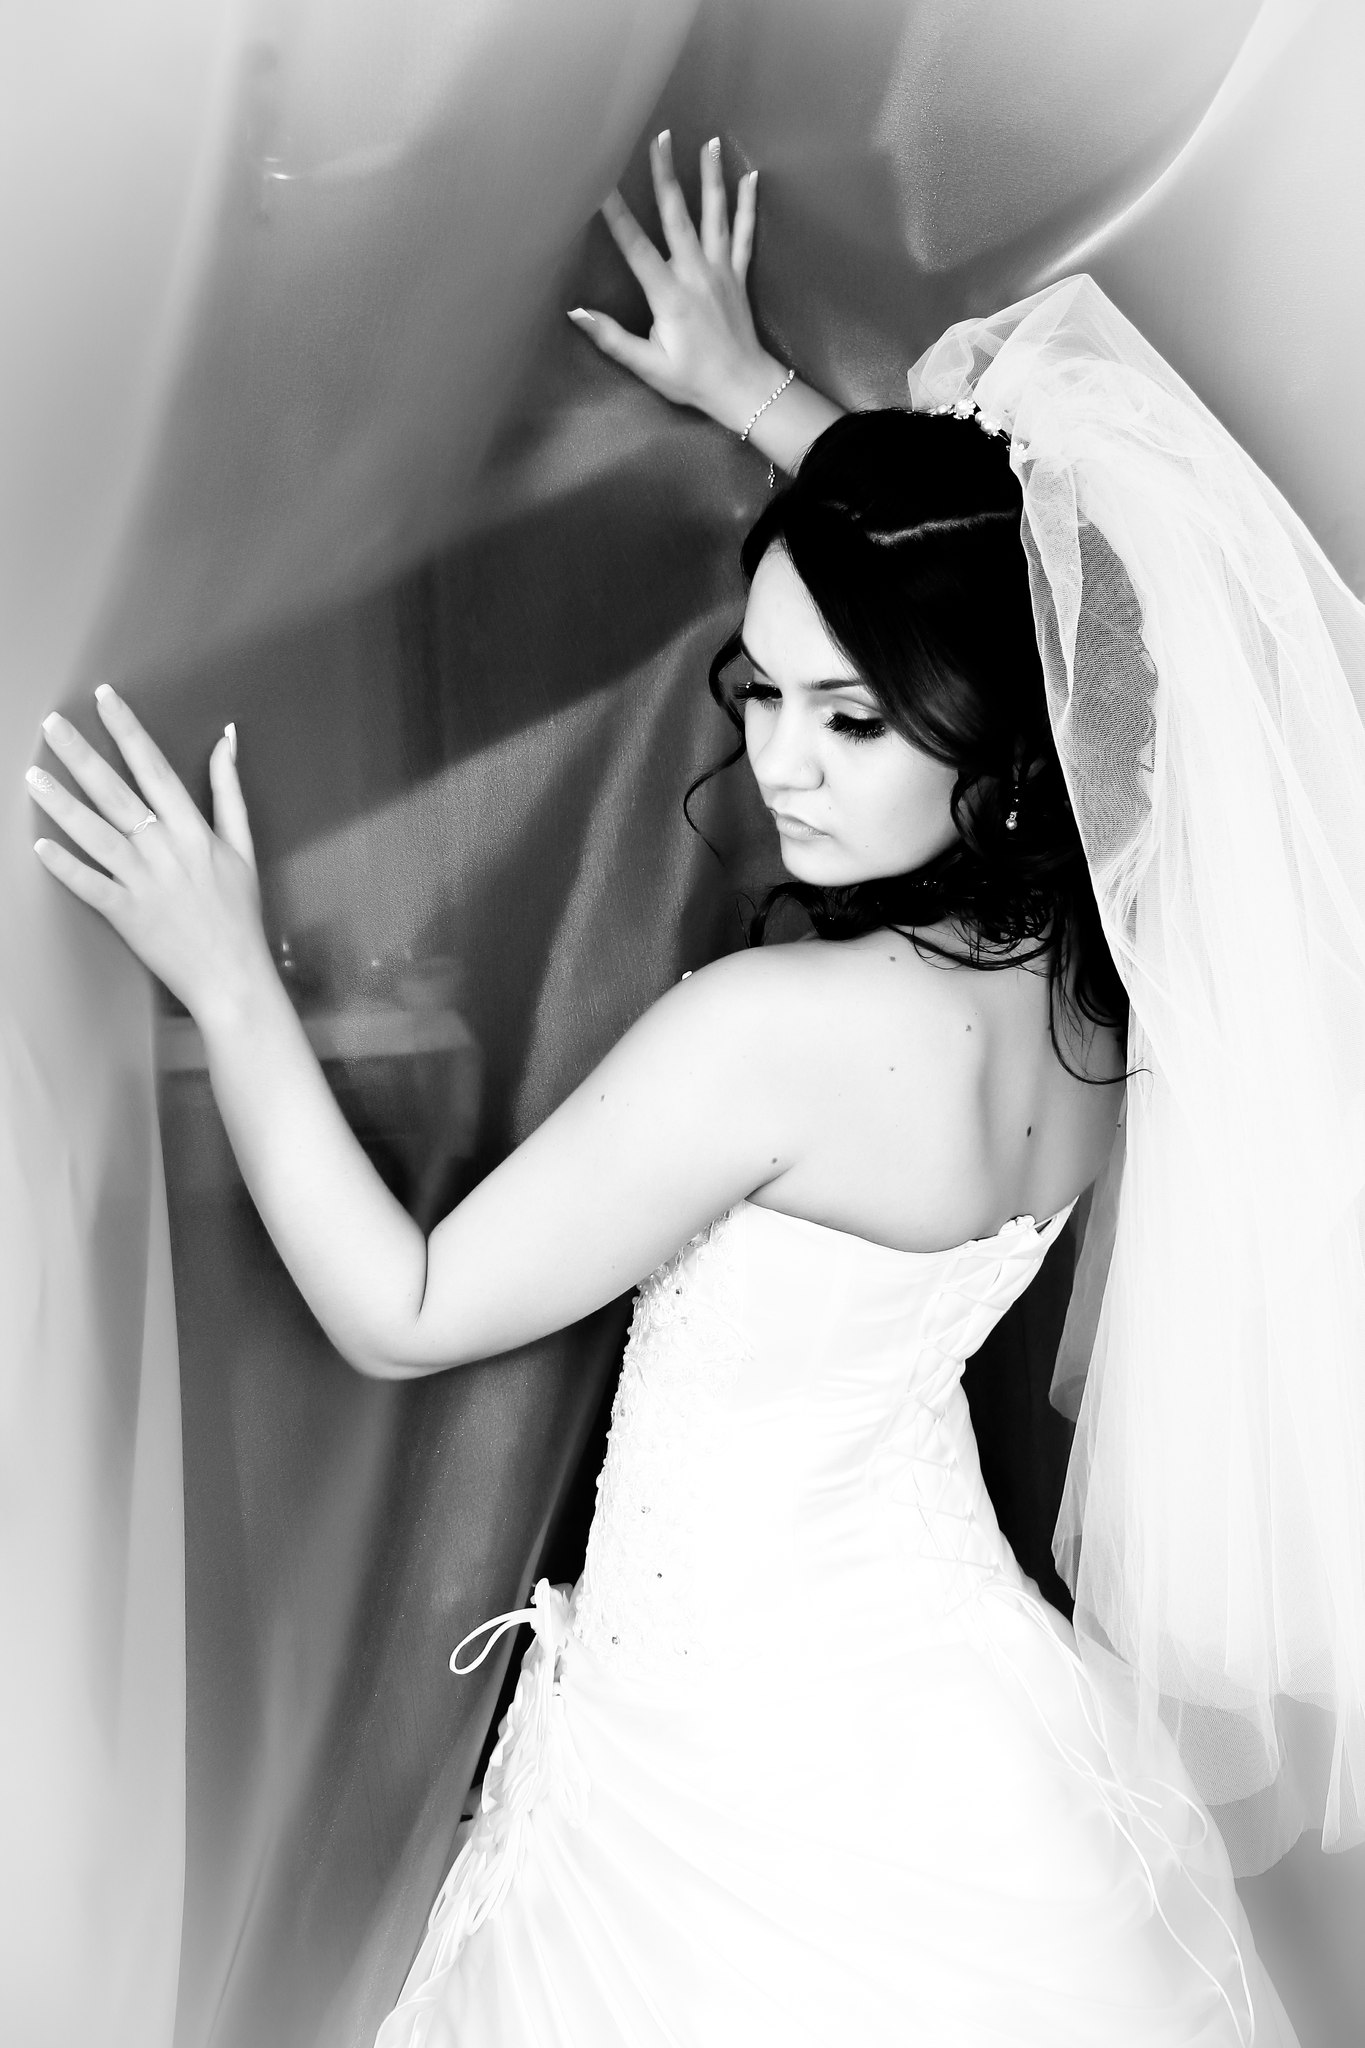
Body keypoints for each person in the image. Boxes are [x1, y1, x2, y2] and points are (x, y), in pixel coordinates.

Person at [31, 134, 1365, 2047]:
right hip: (958, 1738)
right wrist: (755, 397)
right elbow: (1063, 657)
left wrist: (229, 973)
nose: (785, 764)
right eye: (762, 690)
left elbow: (405, 1308)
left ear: (987, 734)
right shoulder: (1114, 976)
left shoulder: (775, 1035)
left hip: (724, 1785)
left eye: (853, 719)